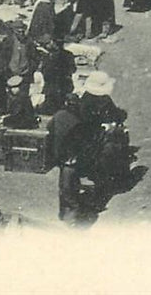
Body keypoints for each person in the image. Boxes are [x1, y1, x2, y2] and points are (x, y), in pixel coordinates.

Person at [50, 93, 87, 221]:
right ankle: (72, 213)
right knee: (70, 186)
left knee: (65, 187)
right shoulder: (79, 120)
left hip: (62, 158)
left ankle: (65, 213)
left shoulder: (58, 115)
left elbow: (50, 128)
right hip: (72, 159)